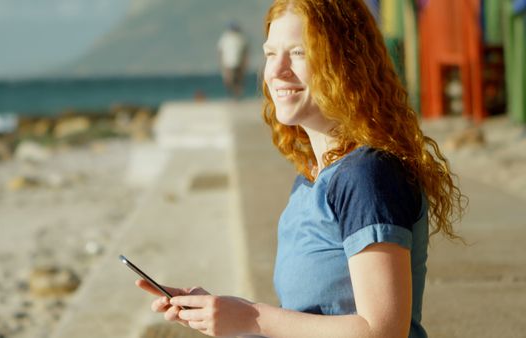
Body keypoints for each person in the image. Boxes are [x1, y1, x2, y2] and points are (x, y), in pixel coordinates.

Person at [136, 1, 466, 337]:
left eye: (298, 53)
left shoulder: (367, 175)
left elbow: (381, 331)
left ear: (345, 61)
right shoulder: (314, 177)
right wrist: (221, 313)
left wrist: (252, 318)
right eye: (270, 53)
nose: (277, 70)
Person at [217, 21, 249, 98]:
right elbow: (220, 52)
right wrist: (221, 63)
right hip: (228, 63)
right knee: (230, 80)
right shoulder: (225, 38)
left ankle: (237, 95)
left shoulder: (241, 38)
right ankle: (232, 95)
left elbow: (245, 52)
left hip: (237, 63)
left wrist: (245, 62)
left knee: (238, 80)